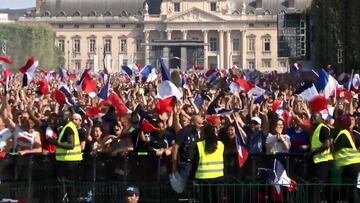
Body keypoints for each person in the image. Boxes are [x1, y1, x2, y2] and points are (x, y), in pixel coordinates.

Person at [48, 112, 83, 202]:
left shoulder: (68, 128)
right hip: (68, 161)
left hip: (69, 162)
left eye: (61, 117)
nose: (59, 119)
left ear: (67, 118)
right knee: (68, 186)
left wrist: (55, 143)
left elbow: (71, 145)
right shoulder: (67, 128)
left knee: (67, 186)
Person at [193, 124, 224, 203]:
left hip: (203, 177)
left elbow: (195, 162)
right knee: (217, 199)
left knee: (204, 199)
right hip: (218, 176)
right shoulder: (220, 144)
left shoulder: (199, 145)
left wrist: (193, 175)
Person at [333, 114, 360, 202]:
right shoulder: (346, 133)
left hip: (350, 165)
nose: (335, 123)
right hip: (351, 165)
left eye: (337, 121)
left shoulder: (343, 134)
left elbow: (335, 150)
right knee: (350, 188)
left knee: (351, 189)